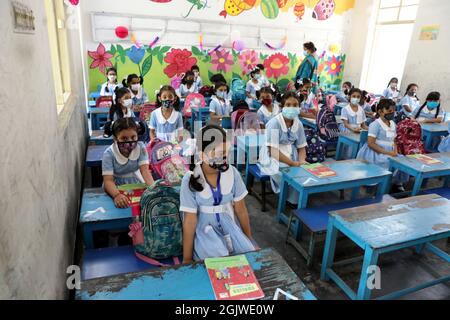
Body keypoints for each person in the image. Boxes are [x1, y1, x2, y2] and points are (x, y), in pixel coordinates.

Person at [180, 125, 257, 262]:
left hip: (230, 227)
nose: (223, 156)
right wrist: (186, 258)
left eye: (225, 152)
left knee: (247, 257)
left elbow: (241, 210)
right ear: (202, 155)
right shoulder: (190, 179)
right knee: (218, 263)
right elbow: (190, 220)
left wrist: (249, 239)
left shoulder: (232, 173)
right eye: (217, 152)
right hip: (205, 231)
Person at [258, 92, 308, 205]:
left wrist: (301, 161)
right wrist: (292, 163)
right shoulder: (274, 123)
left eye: (295, 105)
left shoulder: (298, 124)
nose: (292, 108)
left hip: (291, 154)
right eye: (288, 104)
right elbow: (273, 151)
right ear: (282, 106)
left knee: (303, 172)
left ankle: (297, 200)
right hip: (273, 156)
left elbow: (301, 147)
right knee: (288, 175)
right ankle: (287, 198)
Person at [357, 99, 409, 192]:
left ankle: (397, 183)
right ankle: (378, 185)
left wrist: (395, 151)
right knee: (386, 161)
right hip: (376, 152)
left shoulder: (393, 124)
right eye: (389, 111)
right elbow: (371, 143)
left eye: (393, 111)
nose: (392, 113)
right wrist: (388, 153)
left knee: (403, 161)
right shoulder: (375, 124)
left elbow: (394, 140)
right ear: (380, 112)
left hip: (390, 151)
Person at [102, 118, 154, 208]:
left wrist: (154, 190)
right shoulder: (109, 154)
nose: (129, 141)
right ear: (115, 138)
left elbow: (145, 171)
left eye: (133, 137)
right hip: (114, 187)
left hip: (135, 183)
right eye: (124, 138)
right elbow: (108, 180)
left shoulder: (140, 148)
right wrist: (116, 195)